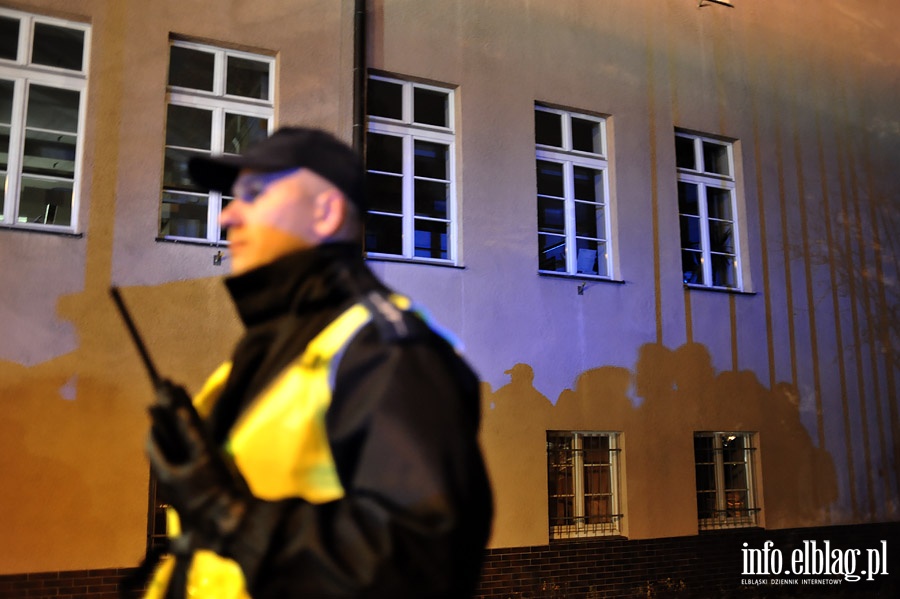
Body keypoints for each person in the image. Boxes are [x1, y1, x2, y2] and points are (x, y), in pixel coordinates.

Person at [142, 127, 493, 598]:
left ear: (325, 213)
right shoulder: (267, 351)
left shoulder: (388, 352)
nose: (227, 215)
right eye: (232, 197)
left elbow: (418, 566)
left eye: (254, 193)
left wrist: (228, 514)